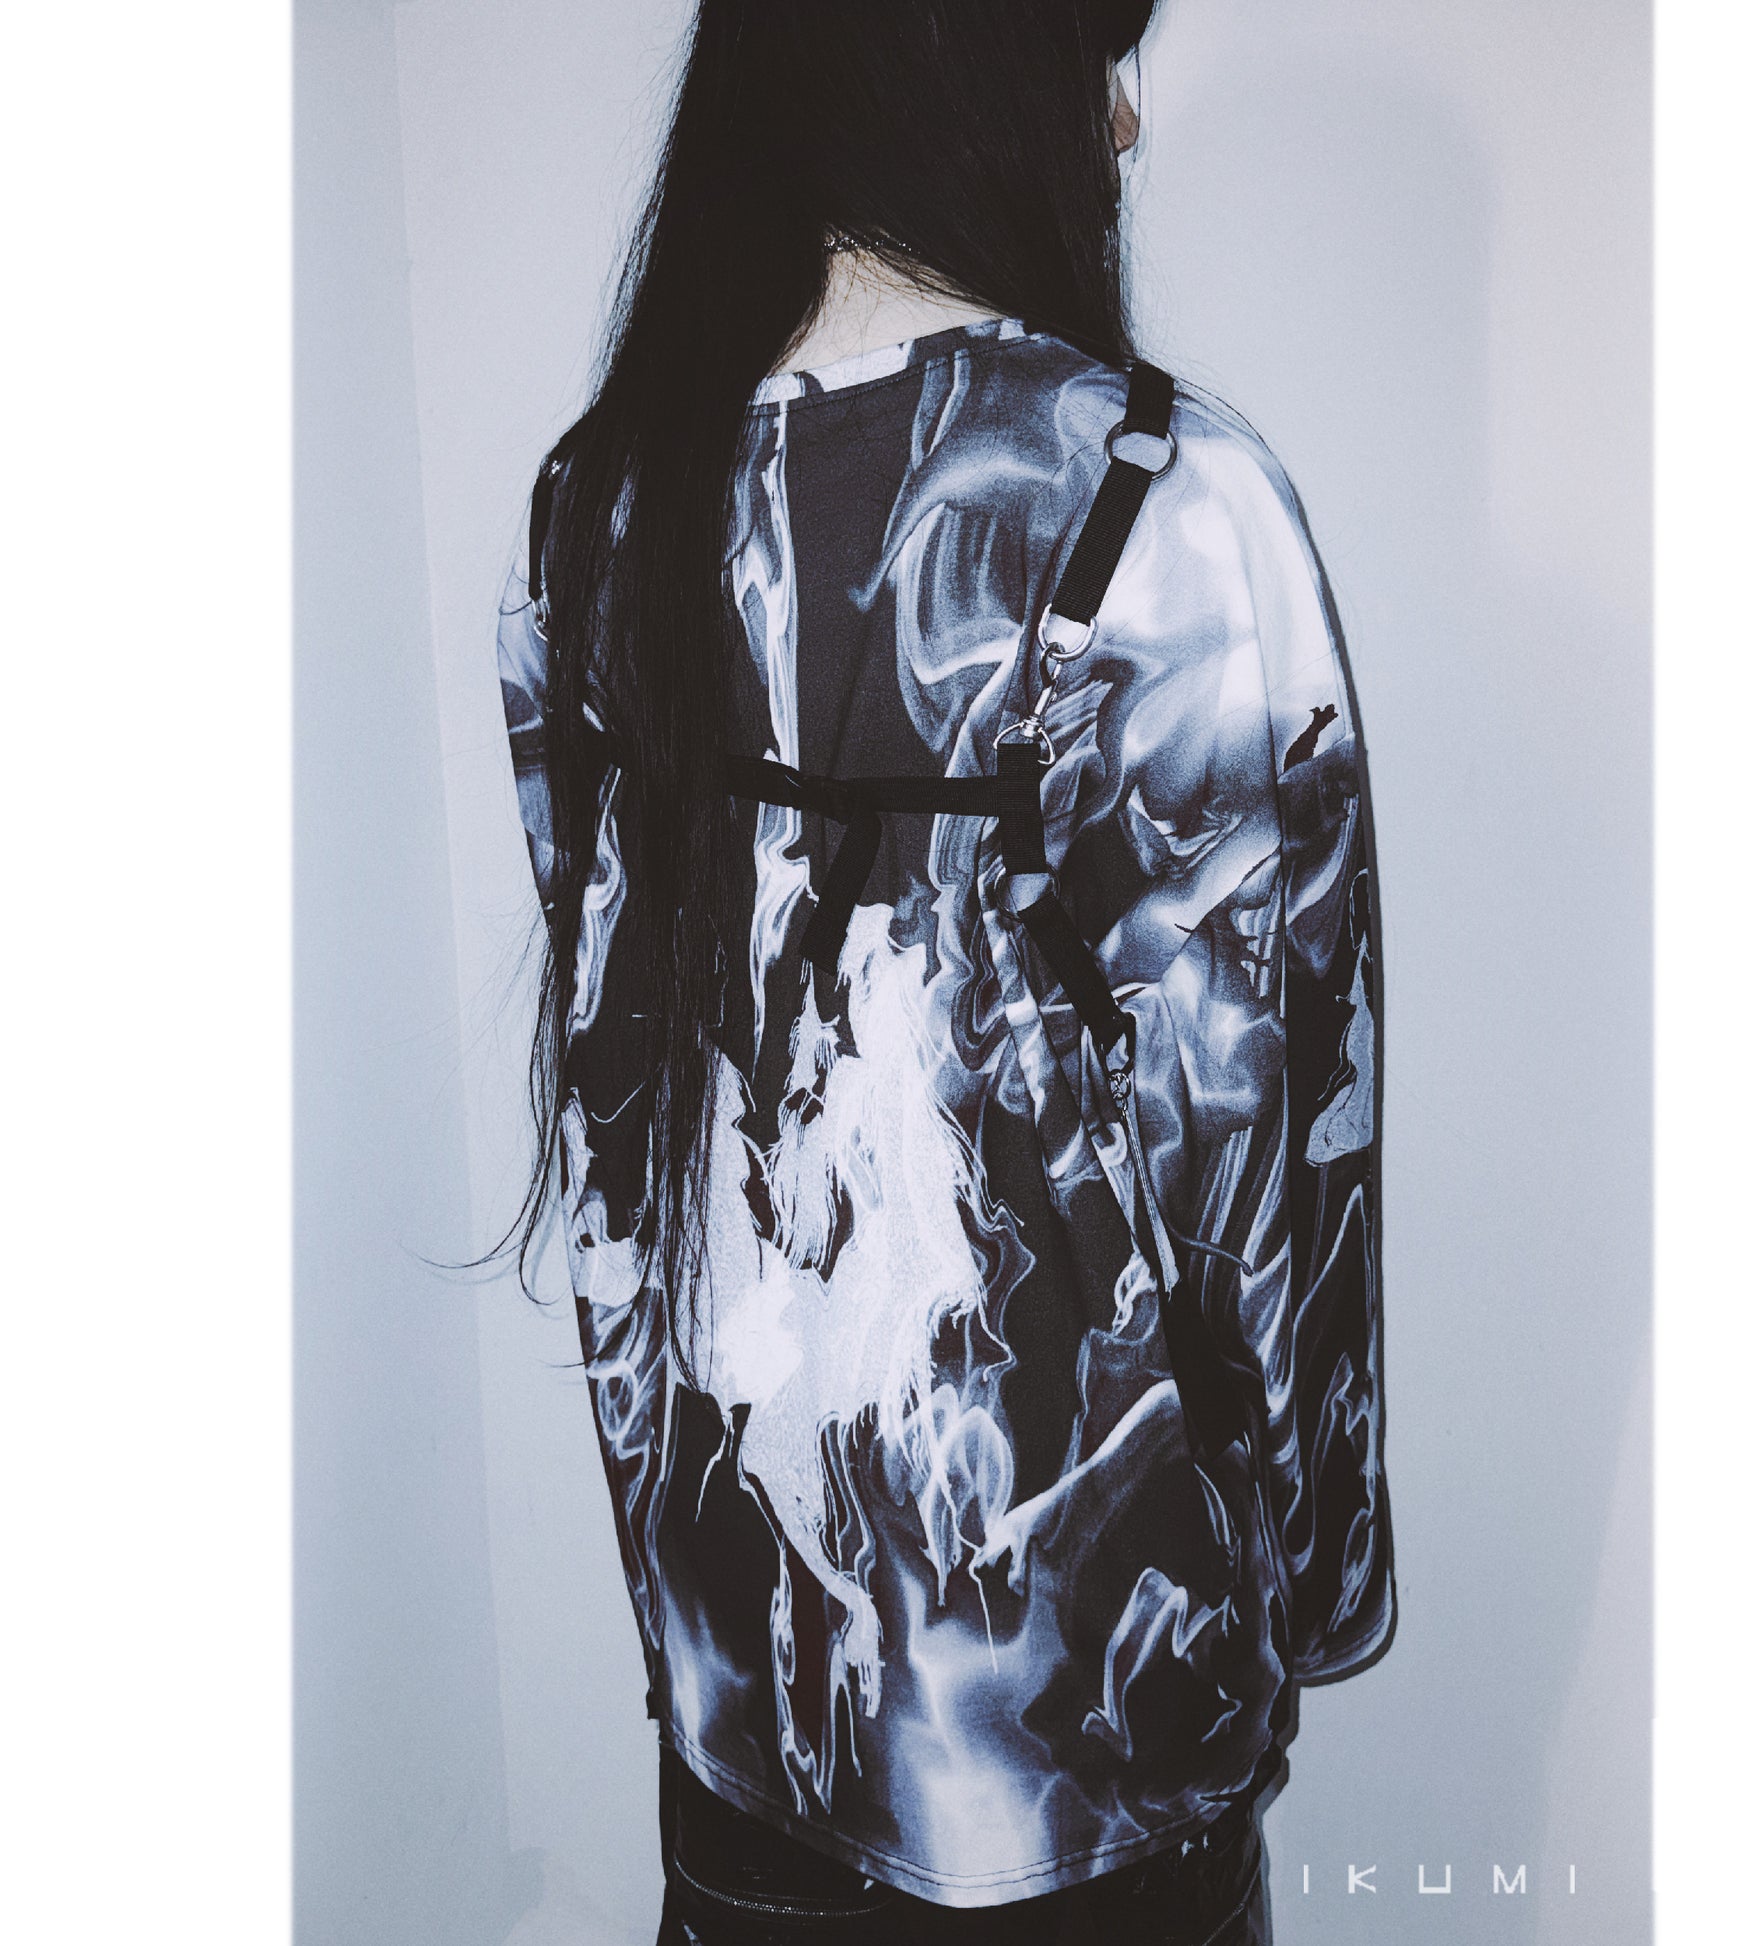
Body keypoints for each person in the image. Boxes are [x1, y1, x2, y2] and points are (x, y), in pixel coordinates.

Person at [493, 3, 1394, 1939]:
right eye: (1096, 45)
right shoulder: (1164, 507)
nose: (1122, 120)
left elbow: (623, 1130)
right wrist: (1311, 1584)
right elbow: (1278, 1156)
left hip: (741, 1710)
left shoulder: (597, 508)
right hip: (1085, 1742)